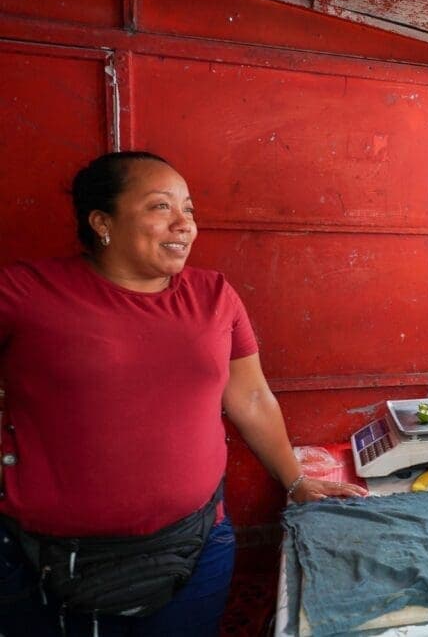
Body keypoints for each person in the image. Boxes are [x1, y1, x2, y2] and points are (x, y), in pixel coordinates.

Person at [0, 152, 367, 636]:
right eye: (160, 207)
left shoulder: (213, 294)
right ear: (102, 221)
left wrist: (296, 481)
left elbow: (251, 397)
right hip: (50, 562)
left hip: (197, 547)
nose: (184, 224)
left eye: (189, 209)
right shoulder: (27, 294)